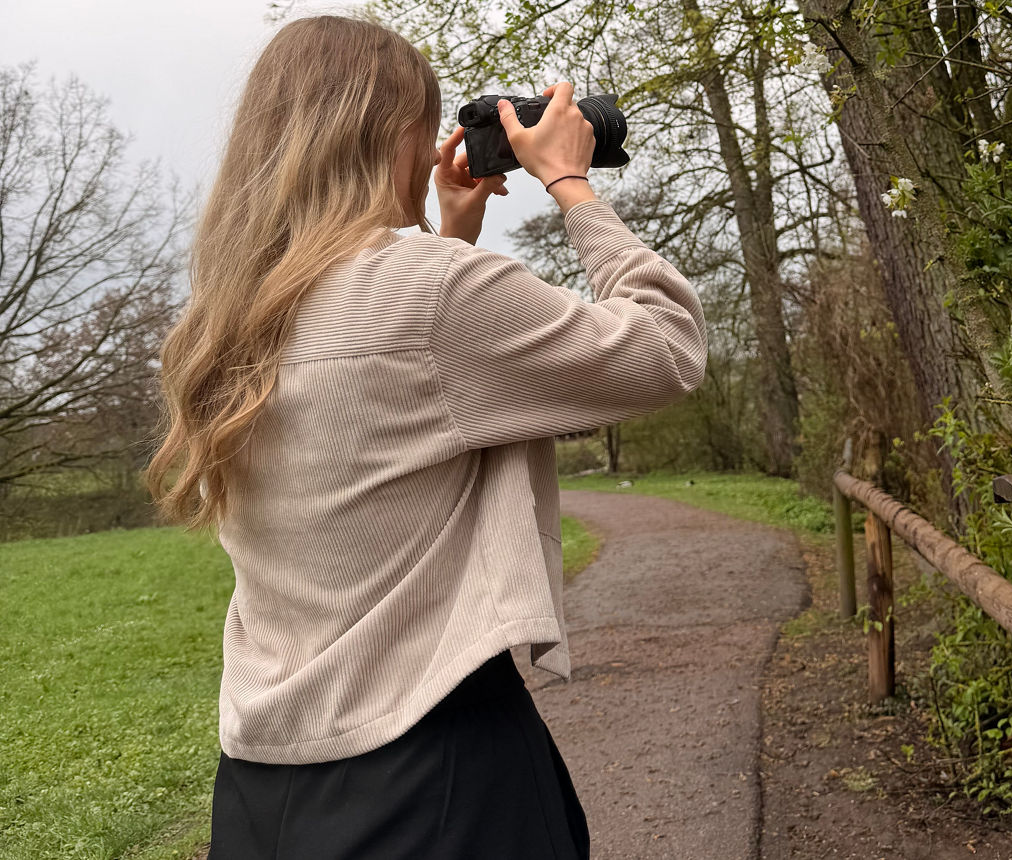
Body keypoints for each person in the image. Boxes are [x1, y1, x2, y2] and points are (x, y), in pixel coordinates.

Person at [146, 14, 706, 860]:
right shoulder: (430, 294)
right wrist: (571, 186)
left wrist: (449, 234)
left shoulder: (223, 320)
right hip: (435, 772)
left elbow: (387, 400)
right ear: (394, 134)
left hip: (264, 784)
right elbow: (665, 348)